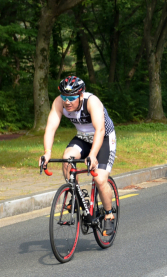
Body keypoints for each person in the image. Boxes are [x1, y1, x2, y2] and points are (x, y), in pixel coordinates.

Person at [40, 76, 117, 236]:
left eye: (72, 98)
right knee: (67, 158)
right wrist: (47, 152)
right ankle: (77, 195)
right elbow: (50, 128)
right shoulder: (59, 102)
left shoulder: (92, 102)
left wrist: (93, 155)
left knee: (99, 179)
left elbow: (100, 130)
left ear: (81, 95)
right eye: (64, 97)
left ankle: (109, 214)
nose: (67, 102)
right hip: (83, 137)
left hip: (103, 138)